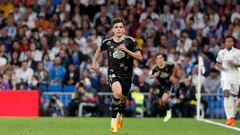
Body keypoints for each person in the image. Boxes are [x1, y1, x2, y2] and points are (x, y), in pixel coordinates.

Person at [92, 17, 142, 133]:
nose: (118, 29)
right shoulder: (107, 42)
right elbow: (99, 50)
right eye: (116, 27)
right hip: (113, 73)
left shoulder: (129, 41)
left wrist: (127, 50)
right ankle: (113, 122)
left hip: (127, 75)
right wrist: (94, 62)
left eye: (120, 27)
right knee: (117, 93)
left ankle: (120, 115)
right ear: (113, 29)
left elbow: (139, 57)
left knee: (123, 99)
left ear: (124, 29)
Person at [216, 36, 240, 126]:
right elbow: (217, 62)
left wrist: (235, 64)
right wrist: (220, 67)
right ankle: (228, 118)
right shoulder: (221, 52)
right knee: (226, 94)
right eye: (227, 41)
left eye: (230, 41)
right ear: (225, 43)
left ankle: (232, 117)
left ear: (233, 43)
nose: (229, 43)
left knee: (234, 97)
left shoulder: (238, 52)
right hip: (225, 75)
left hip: (236, 76)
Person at [150, 53, 176, 122]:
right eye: (158, 58)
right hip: (160, 85)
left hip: (168, 85)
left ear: (163, 59)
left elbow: (174, 68)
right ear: (156, 60)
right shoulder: (155, 68)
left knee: (164, 99)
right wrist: (154, 76)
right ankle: (164, 114)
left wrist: (172, 76)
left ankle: (169, 113)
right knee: (161, 103)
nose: (160, 60)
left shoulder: (168, 64)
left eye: (161, 58)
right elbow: (150, 76)